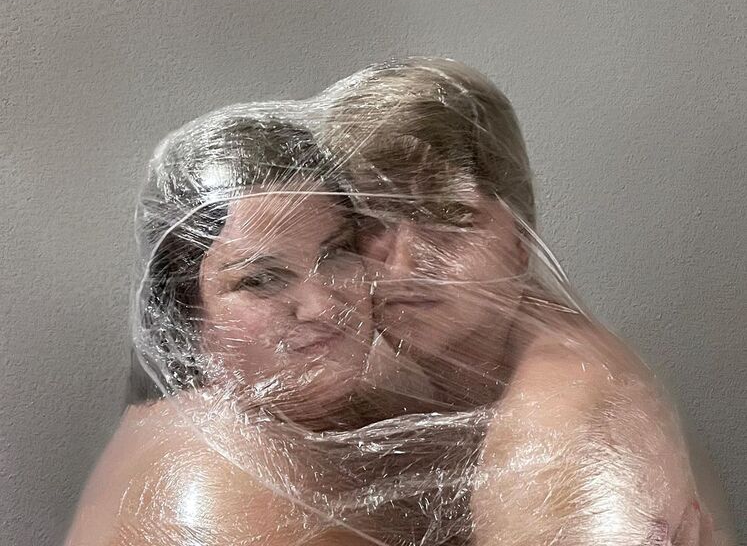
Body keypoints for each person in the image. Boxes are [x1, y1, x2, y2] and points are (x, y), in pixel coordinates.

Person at [321, 57, 736, 545]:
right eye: (373, 221)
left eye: (448, 217)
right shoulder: (398, 376)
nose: (404, 262)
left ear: (521, 237)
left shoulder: (560, 411)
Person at [65, 114, 384, 545]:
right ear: (186, 314)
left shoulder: (301, 419)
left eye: (336, 253)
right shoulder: (224, 492)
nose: (323, 306)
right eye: (261, 279)